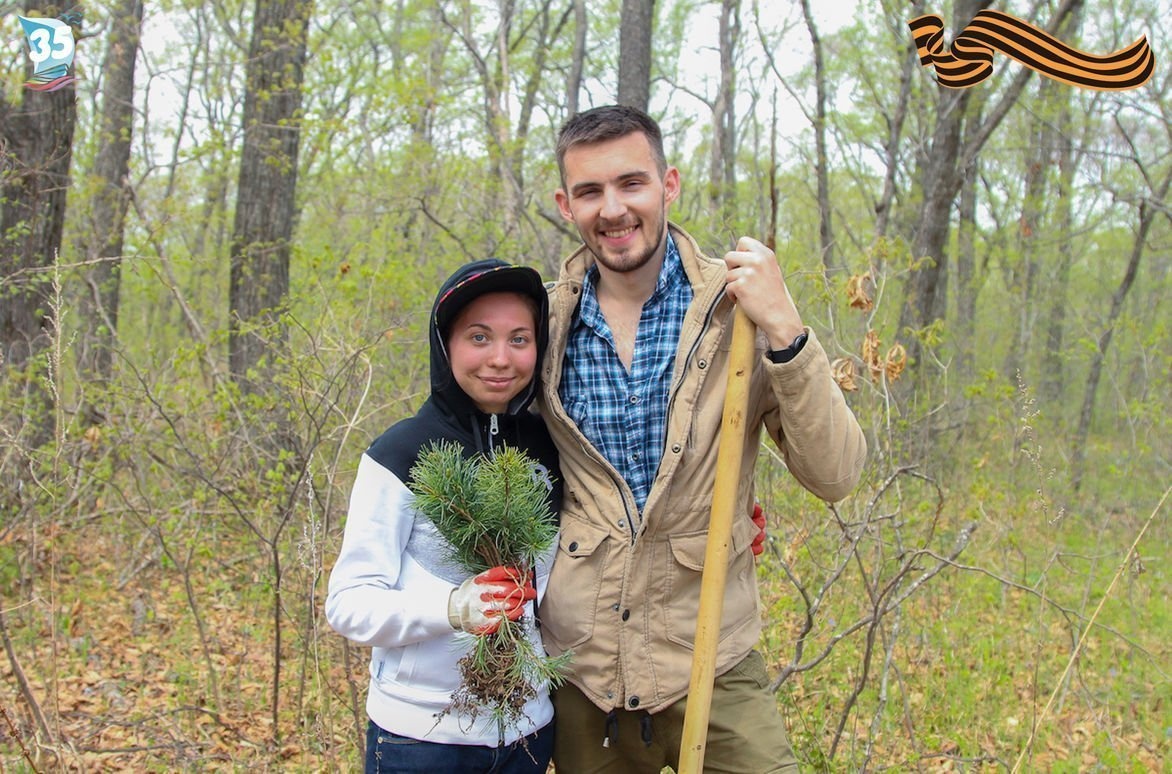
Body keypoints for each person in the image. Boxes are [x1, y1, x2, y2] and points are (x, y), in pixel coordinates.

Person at [536, 104, 868, 772]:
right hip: (583, 666)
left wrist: (787, 331)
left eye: (632, 183)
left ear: (670, 185)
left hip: (711, 654)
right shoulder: (540, 321)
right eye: (590, 191)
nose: (613, 208)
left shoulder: (737, 311)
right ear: (565, 204)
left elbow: (836, 474)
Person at [325, 259, 563, 773]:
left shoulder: (554, 447)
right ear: (446, 344)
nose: (501, 358)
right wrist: (453, 608)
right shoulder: (400, 452)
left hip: (528, 730)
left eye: (519, 339)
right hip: (421, 738)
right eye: (479, 337)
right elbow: (348, 604)